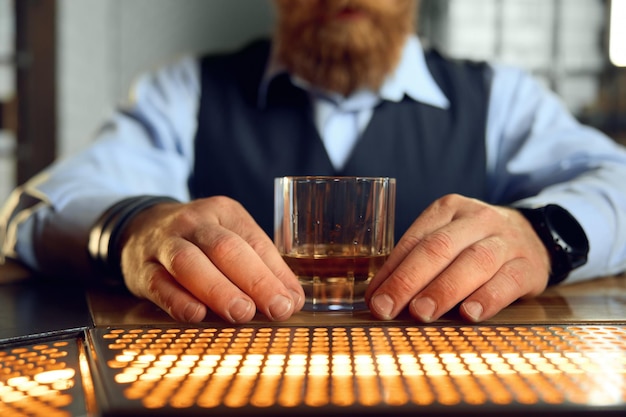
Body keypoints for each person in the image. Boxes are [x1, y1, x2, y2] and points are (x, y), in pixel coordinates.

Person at [1, 0, 626, 325]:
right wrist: (137, 229)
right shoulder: (183, 91)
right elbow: (31, 209)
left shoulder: (500, 97)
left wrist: (544, 237)